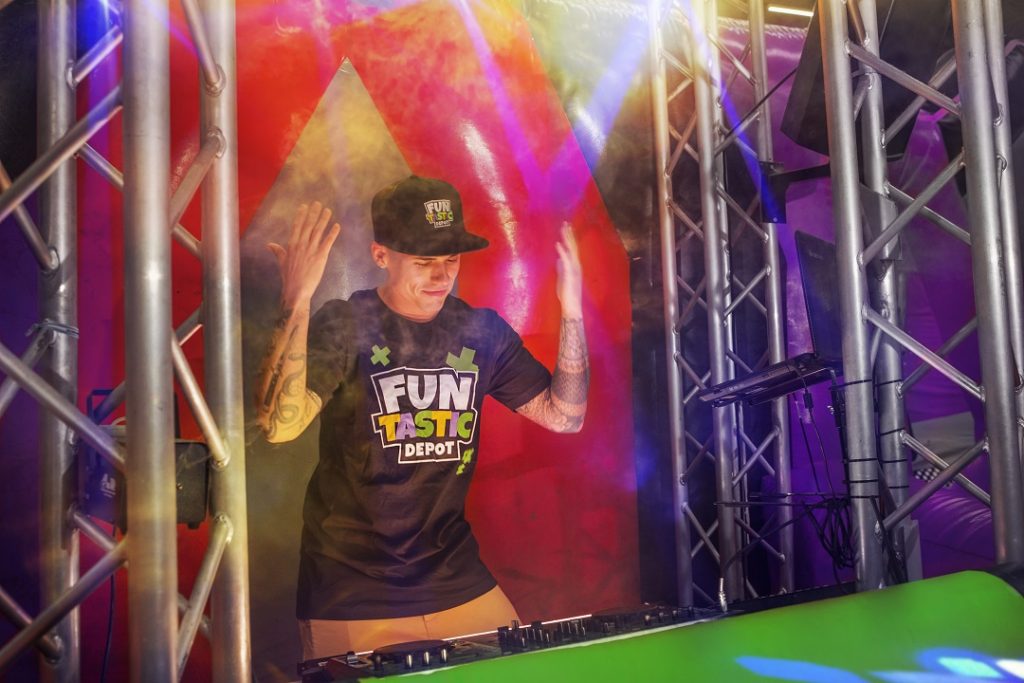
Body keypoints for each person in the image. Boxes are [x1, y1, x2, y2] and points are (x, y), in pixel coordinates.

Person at [254, 175, 588, 659]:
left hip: (454, 578)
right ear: (381, 256)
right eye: (424, 262)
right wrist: (297, 299)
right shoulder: (347, 324)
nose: (440, 276)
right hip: (353, 589)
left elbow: (565, 417)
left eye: (451, 260)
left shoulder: (481, 331)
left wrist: (572, 311)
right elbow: (279, 426)